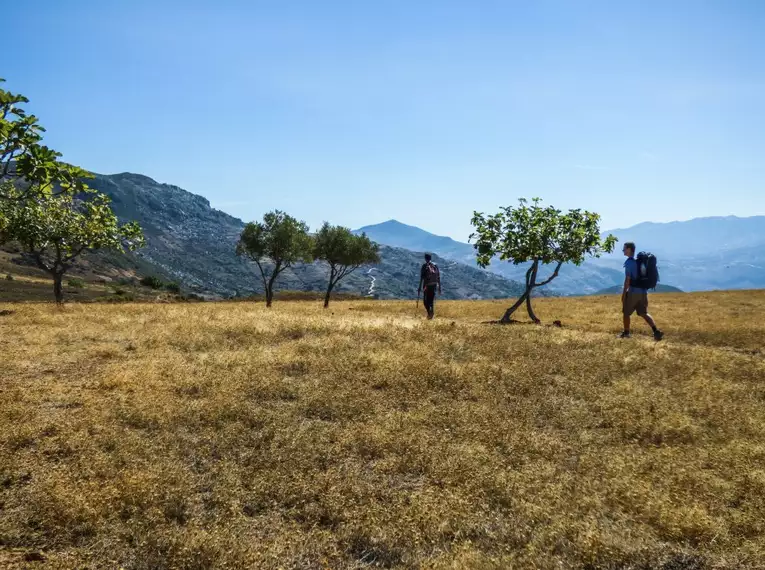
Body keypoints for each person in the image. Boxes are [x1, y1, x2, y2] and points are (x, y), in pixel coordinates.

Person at [621, 242, 663, 340]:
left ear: (629, 249)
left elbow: (628, 279)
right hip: (643, 292)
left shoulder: (629, 262)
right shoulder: (640, 263)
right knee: (643, 313)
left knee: (626, 313)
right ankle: (656, 331)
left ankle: (626, 333)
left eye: (624, 248)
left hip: (633, 292)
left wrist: (623, 294)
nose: (623, 250)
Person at [418, 253, 441, 320]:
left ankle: (429, 313)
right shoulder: (435, 265)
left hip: (427, 286)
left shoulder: (424, 266)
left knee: (425, 302)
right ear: (430, 258)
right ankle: (431, 315)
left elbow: (421, 278)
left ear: (425, 258)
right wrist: (439, 287)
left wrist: (419, 287)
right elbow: (438, 277)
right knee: (431, 300)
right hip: (434, 285)